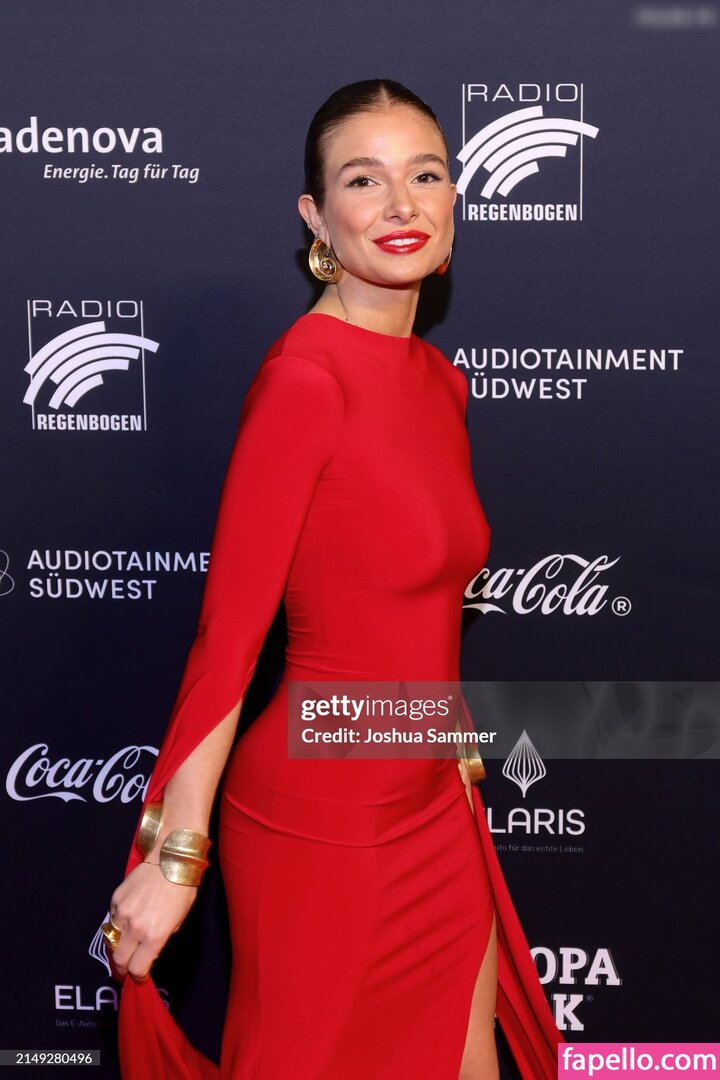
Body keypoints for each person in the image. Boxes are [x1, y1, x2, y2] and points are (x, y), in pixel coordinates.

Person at [104, 79, 563, 1079]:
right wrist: (176, 854)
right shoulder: (305, 381)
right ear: (316, 217)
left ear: (454, 198)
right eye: (364, 180)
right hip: (321, 821)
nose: (401, 204)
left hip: (435, 803)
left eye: (425, 175)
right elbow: (229, 638)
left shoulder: (441, 383)